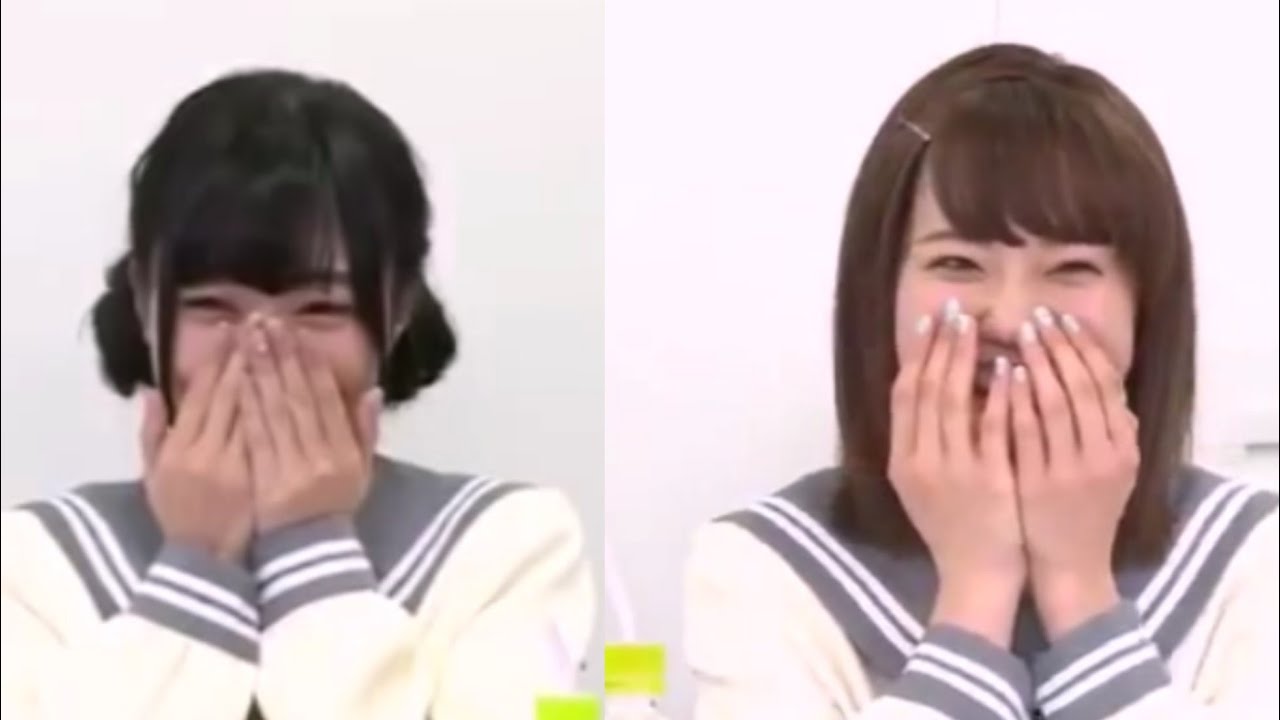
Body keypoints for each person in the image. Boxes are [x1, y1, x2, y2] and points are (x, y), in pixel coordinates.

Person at [683, 43, 1278, 720]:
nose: (1011, 318)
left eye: (1073, 269)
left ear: (1146, 305)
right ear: (881, 292)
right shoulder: (764, 568)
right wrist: (975, 597)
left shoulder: (1252, 554)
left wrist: (1080, 594)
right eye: (958, 263)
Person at [0, 70, 595, 720]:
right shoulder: (35, 562)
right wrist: (196, 566)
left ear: (398, 308)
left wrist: (312, 548)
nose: (261, 353)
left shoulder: (505, 546)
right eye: (213, 307)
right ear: (145, 302)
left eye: (319, 309)